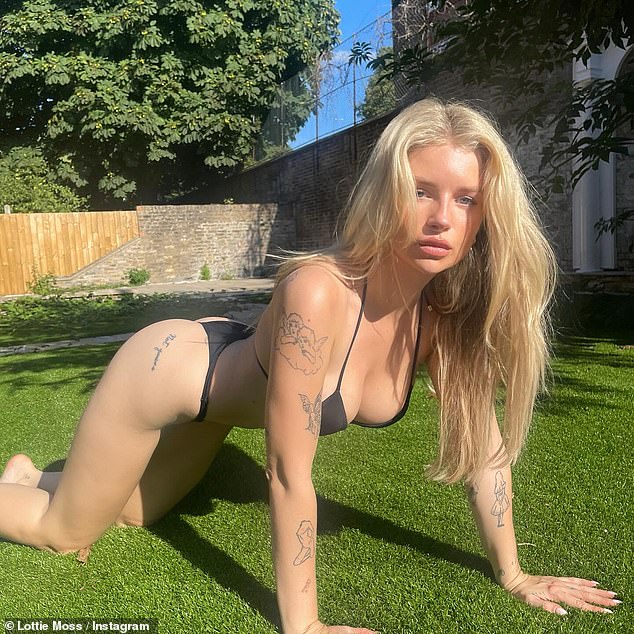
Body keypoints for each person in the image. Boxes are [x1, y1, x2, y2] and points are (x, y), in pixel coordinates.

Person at [0, 99, 619, 633]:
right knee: (66, 533)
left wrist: (514, 575)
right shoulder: (318, 292)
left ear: (486, 215)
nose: (442, 218)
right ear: (387, 192)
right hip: (166, 375)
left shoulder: (442, 317)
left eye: (466, 199)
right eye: (421, 191)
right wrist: (304, 624)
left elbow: (484, 450)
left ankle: (34, 473)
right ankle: (31, 487)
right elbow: (287, 472)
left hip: (228, 399)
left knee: (134, 514)